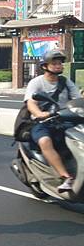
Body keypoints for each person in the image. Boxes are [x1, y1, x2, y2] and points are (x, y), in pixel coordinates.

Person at [25, 49, 80, 192]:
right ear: (45, 66)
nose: (58, 66)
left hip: (65, 119)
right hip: (43, 122)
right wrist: (39, 114)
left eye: (60, 63)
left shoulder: (66, 82)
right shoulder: (36, 82)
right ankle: (66, 177)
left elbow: (78, 99)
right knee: (45, 141)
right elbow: (31, 103)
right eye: (54, 63)